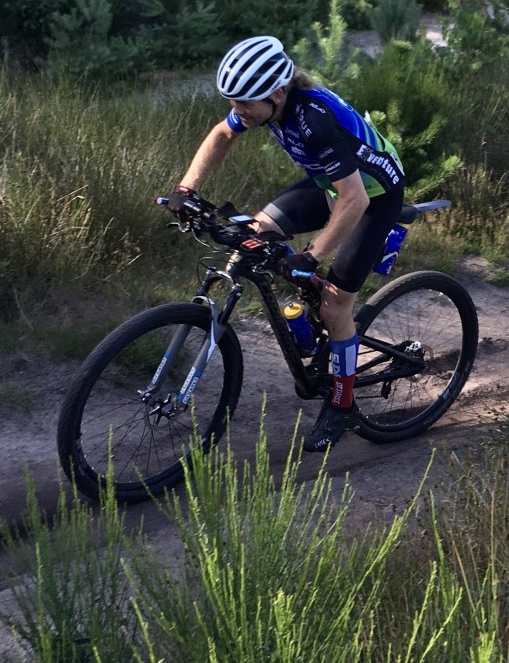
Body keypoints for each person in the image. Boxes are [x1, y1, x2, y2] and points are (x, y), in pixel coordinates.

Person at [173, 36, 405, 452]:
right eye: (233, 101)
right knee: (254, 238)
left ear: (277, 94)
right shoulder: (267, 105)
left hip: (373, 197)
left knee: (336, 304)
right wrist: (186, 190)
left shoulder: (313, 120)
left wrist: (313, 256)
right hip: (330, 185)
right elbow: (222, 134)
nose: (237, 111)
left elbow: (355, 199)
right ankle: (310, 324)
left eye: (244, 103)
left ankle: (342, 404)